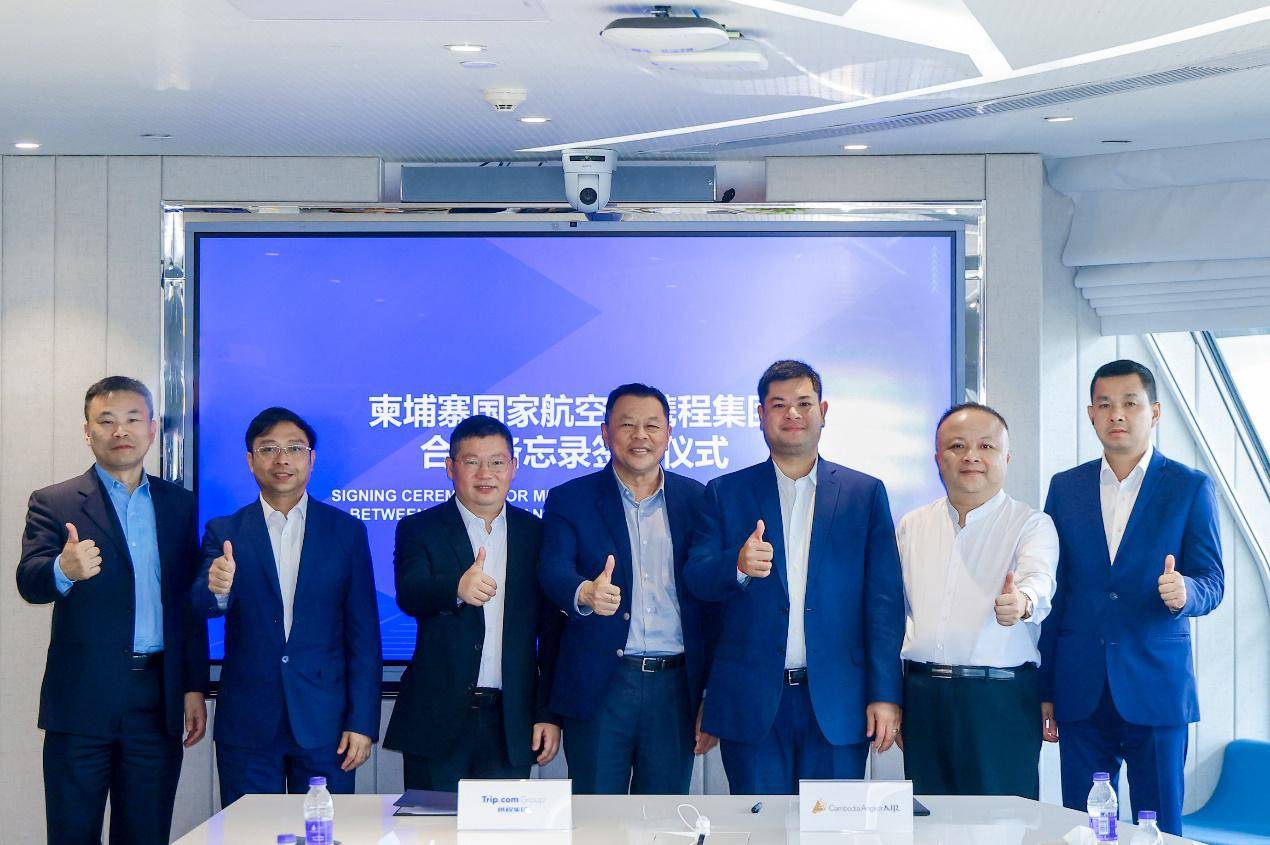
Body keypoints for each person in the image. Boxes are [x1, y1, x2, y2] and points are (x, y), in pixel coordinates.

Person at [682, 360, 905, 794]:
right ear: (760, 415)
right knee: (760, 825)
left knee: (833, 825)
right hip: (751, 701)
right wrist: (736, 565)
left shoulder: (864, 493)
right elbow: (696, 580)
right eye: (779, 404)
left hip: (840, 700)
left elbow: (884, 604)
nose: (793, 414)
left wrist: (884, 694)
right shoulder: (725, 492)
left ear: (823, 411)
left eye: (804, 403)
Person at [17, 376, 208, 845]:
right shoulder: (55, 502)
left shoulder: (180, 505)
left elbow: (187, 608)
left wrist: (193, 686)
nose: (120, 431)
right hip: (81, 702)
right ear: (88, 431)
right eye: (106, 421)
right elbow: (29, 581)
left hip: (157, 700)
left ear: (152, 429)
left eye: (132, 419)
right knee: (72, 834)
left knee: (145, 835)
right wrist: (62, 569)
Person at [1040, 359, 1224, 836]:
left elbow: (1212, 580)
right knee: (1086, 829)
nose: (1116, 414)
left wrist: (1185, 592)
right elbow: (1056, 593)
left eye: (1130, 403)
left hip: (1157, 687)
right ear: (1091, 414)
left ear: (1155, 412)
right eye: (1104, 404)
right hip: (1081, 688)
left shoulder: (1190, 487)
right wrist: (1046, 689)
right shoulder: (1065, 488)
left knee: (1158, 829)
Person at [193, 406, 381, 806]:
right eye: (269, 449)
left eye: (294, 448)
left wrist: (363, 722)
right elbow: (202, 603)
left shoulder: (345, 532)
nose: (282, 460)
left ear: (311, 459)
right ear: (250, 460)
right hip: (249, 722)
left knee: (325, 832)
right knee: (248, 833)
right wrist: (218, 589)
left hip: (326, 723)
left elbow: (364, 635)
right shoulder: (224, 531)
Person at [538, 384, 716, 794]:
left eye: (652, 426)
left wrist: (712, 694)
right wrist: (584, 592)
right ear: (605, 433)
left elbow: (713, 605)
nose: (640, 436)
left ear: (668, 434)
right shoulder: (571, 499)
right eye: (627, 425)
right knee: (596, 817)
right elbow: (552, 569)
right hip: (602, 686)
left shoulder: (699, 500)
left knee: (665, 818)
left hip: (676, 689)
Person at [383, 414, 562, 790]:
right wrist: (455, 588)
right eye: (471, 462)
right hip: (436, 719)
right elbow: (411, 593)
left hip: (510, 720)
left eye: (496, 462)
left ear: (513, 467)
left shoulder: (537, 534)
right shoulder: (419, 528)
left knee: (505, 824)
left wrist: (547, 712)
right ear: (450, 468)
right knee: (432, 823)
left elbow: (551, 634)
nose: (485, 474)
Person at [897, 402, 1058, 798]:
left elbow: (1039, 579)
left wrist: (1022, 602)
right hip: (922, 697)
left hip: (999, 700)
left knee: (1002, 822)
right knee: (929, 821)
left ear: (1007, 457)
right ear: (938, 458)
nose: (971, 456)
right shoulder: (912, 525)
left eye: (986, 446)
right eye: (957, 446)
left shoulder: (1031, 524)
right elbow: (891, 612)